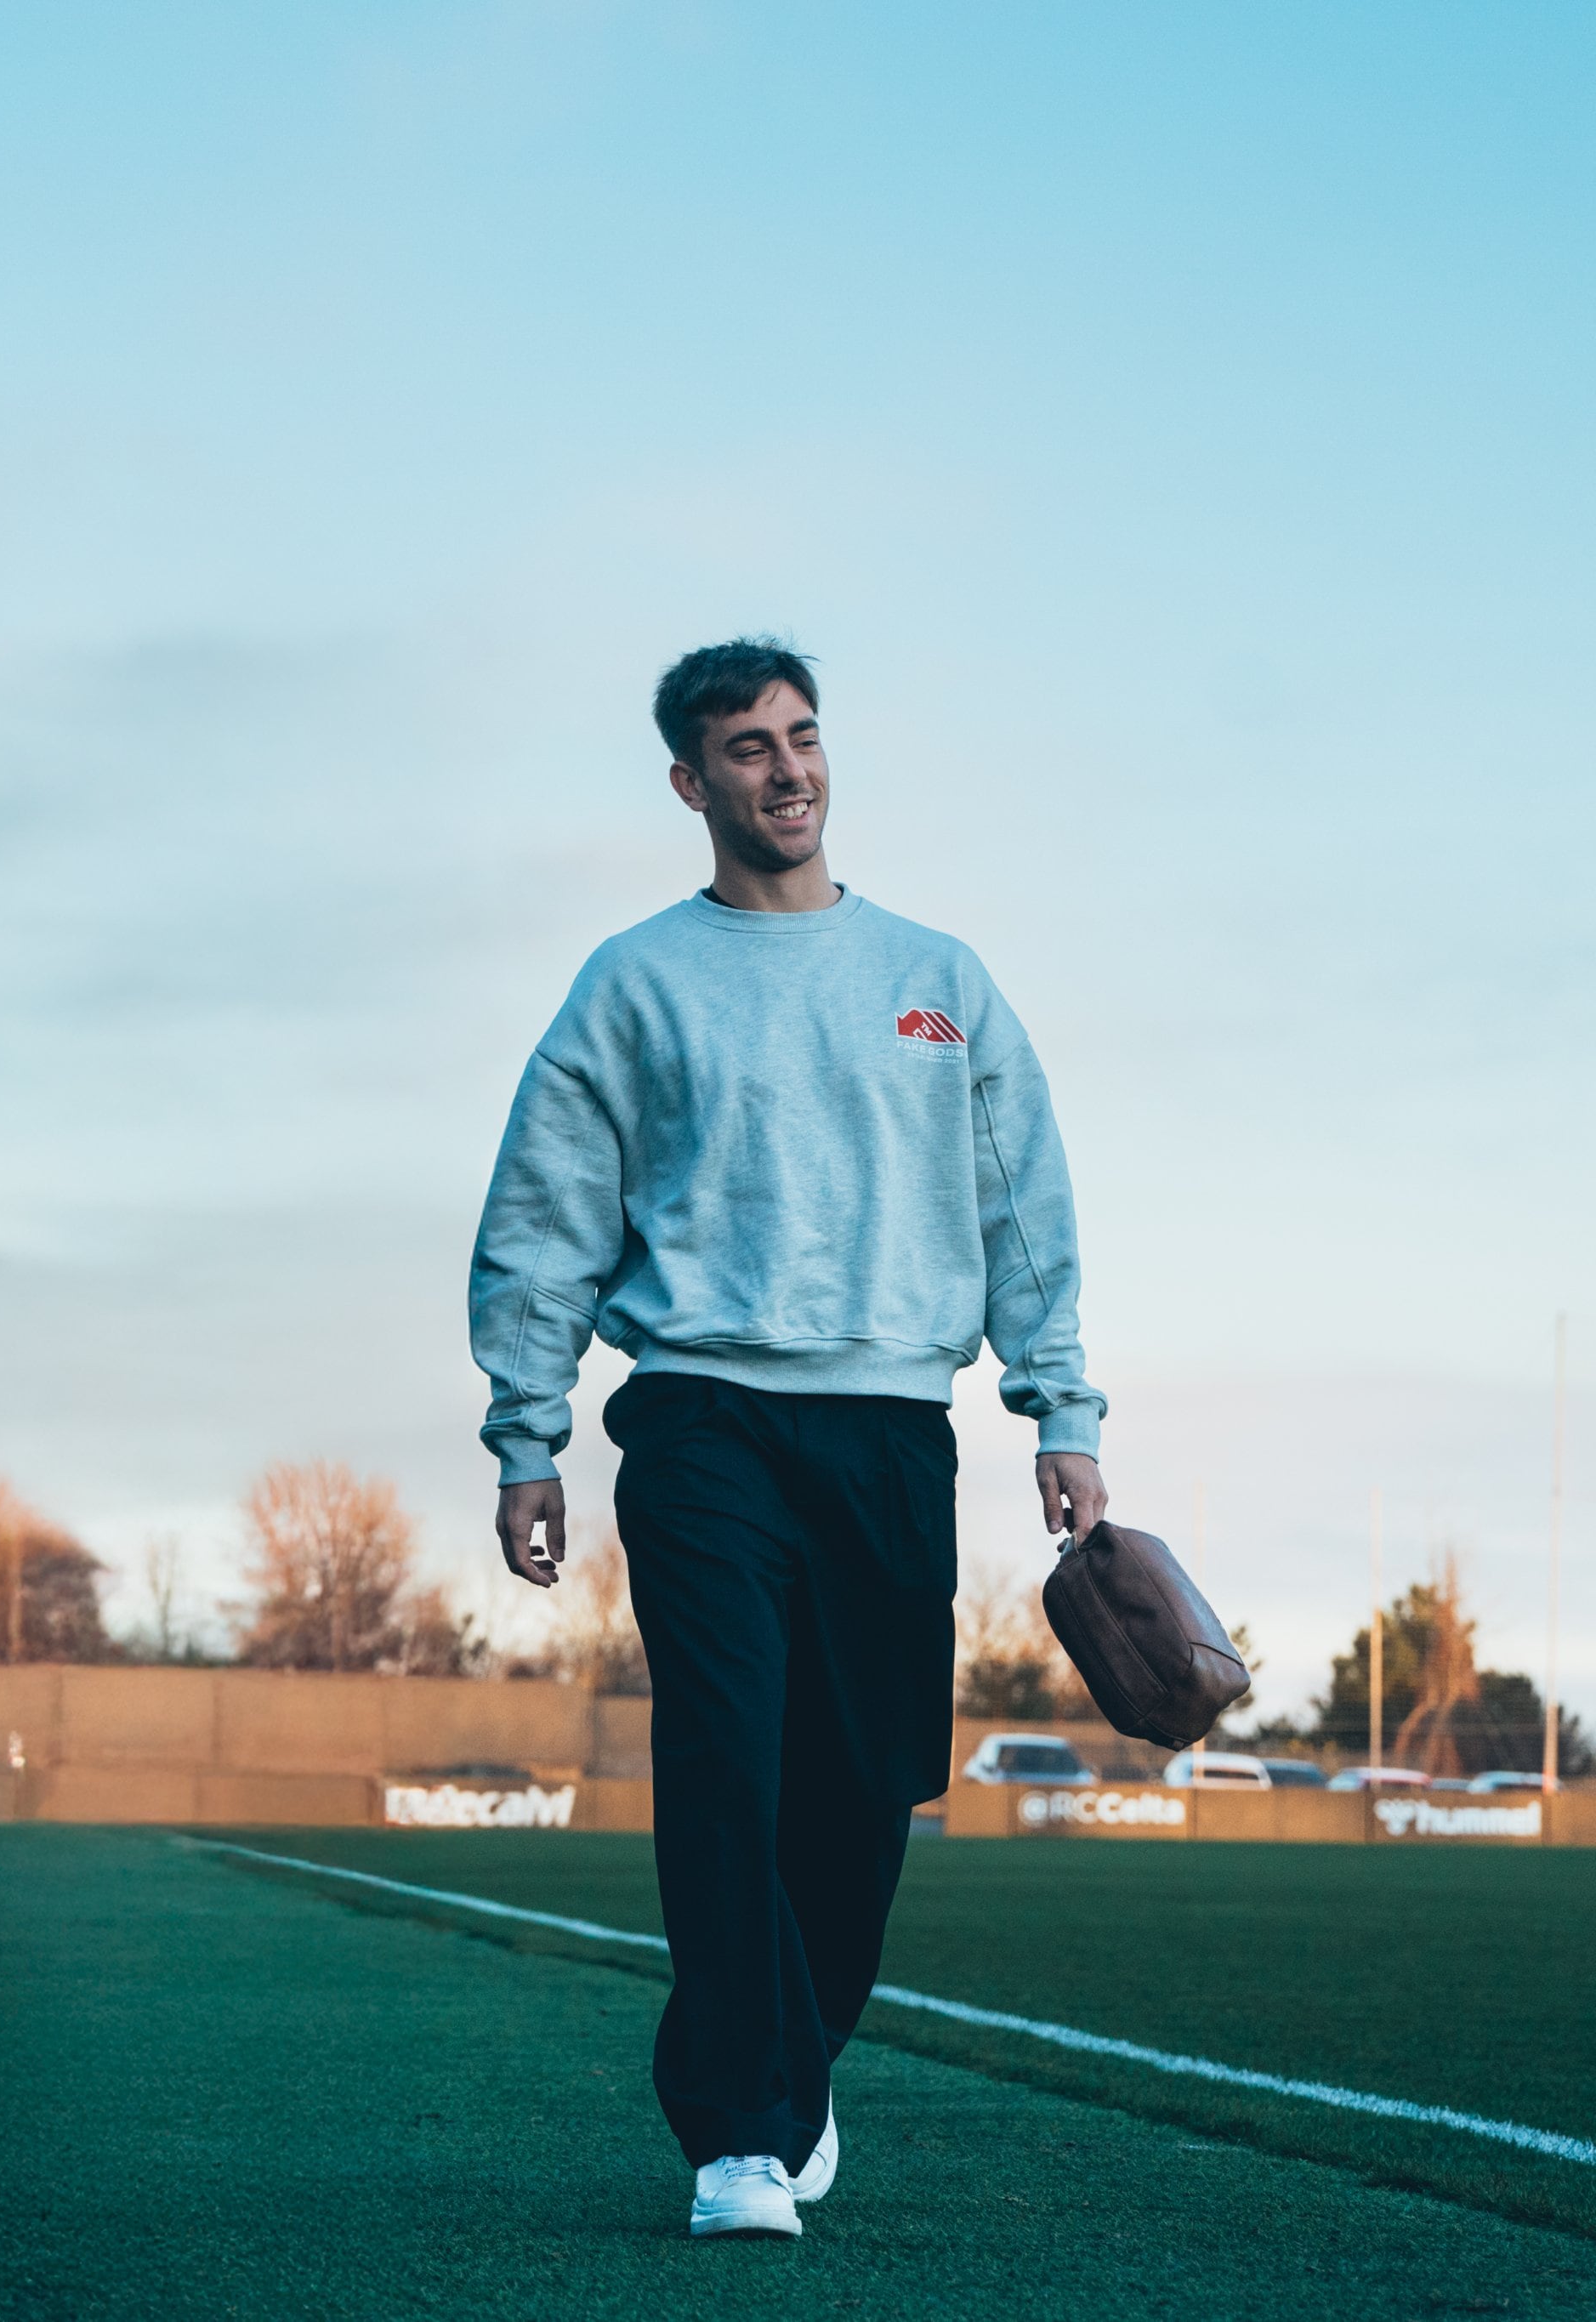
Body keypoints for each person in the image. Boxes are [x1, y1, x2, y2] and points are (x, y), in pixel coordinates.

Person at [468, 637, 1108, 2240]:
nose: (787, 768)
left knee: (864, 1785)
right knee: (724, 1760)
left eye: (804, 736)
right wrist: (527, 1434)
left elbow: (1019, 1209)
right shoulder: (632, 983)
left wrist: (1062, 1406)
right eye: (746, 748)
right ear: (691, 783)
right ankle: (741, 2138)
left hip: (894, 1429)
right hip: (701, 1425)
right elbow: (544, 1219)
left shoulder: (939, 981)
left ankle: (793, 2063)